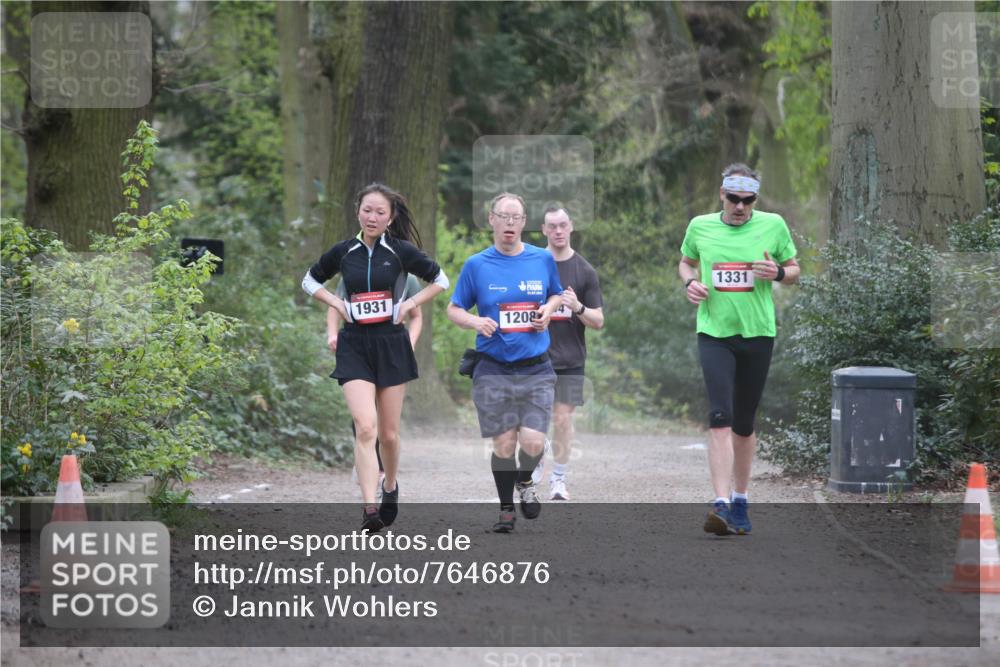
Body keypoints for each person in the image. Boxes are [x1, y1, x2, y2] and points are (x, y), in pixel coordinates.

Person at [302, 183, 448, 532]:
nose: (373, 217)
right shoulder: (343, 251)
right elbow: (309, 280)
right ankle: (369, 508)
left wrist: (410, 304)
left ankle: (390, 485)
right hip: (354, 346)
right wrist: (337, 303)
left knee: (389, 435)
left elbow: (440, 279)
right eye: (367, 210)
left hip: (391, 345)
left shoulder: (400, 252)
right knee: (365, 428)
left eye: (380, 212)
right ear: (358, 212)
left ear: (391, 216)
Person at [678, 163, 799, 536]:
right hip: (714, 333)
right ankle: (720, 502)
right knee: (720, 416)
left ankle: (742, 499)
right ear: (722, 195)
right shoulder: (700, 226)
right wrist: (690, 284)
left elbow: (794, 270)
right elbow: (686, 262)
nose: (741, 207)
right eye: (734, 199)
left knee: (744, 425)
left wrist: (777, 273)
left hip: (758, 335)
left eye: (748, 201)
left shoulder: (773, 225)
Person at [447, 193, 563, 533]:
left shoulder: (542, 259)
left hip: (536, 367)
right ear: (491, 220)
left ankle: (525, 481)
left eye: (516, 217)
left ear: (525, 222)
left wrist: (548, 310)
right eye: (503, 216)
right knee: (503, 443)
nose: (510, 223)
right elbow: (454, 308)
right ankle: (506, 509)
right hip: (493, 367)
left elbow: (557, 293)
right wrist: (474, 322)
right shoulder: (476, 265)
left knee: (531, 442)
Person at [533, 205, 604, 500]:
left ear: (571, 226)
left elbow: (598, 321)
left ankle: (558, 480)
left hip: (571, 357)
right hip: (533, 355)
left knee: (561, 419)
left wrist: (577, 307)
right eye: (552, 226)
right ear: (544, 230)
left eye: (563, 225)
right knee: (533, 420)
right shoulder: (533, 263)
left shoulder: (584, 270)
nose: (558, 231)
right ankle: (537, 451)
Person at [330, 274, 423, 498]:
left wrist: (409, 342)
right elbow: (335, 304)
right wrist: (332, 334)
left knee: (388, 433)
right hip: (358, 349)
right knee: (364, 422)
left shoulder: (407, 279)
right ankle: (374, 478)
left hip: (391, 351)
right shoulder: (353, 272)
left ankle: (389, 482)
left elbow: (416, 316)